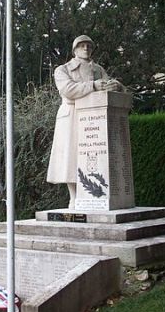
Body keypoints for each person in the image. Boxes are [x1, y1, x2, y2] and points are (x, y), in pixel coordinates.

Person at [47, 35, 123, 209]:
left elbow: (108, 83)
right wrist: (94, 86)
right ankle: (73, 197)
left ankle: (96, 196)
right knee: (71, 158)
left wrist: (116, 86)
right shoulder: (63, 69)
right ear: (75, 50)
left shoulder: (98, 69)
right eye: (81, 45)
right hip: (72, 114)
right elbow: (68, 90)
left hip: (95, 115)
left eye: (89, 45)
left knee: (94, 157)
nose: (86, 48)